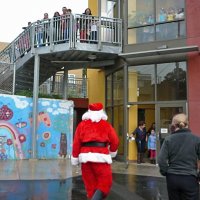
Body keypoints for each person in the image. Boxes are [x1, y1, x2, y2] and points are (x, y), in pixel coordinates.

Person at [71, 102, 119, 200]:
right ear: (101, 113)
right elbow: (115, 141)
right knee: (106, 182)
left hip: (85, 157)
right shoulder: (106, 125)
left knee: (90, 185)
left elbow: (76, 143)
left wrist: (75, 158)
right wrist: (112, 152)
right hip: (101, 156)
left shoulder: (81, 125)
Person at [158, 113, 200, 200]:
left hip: (172, 178)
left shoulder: (168, 139)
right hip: (190, 178)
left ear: (173, 125)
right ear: (187, 124)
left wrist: (165, 172)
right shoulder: (196, 139)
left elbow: (161, 159)